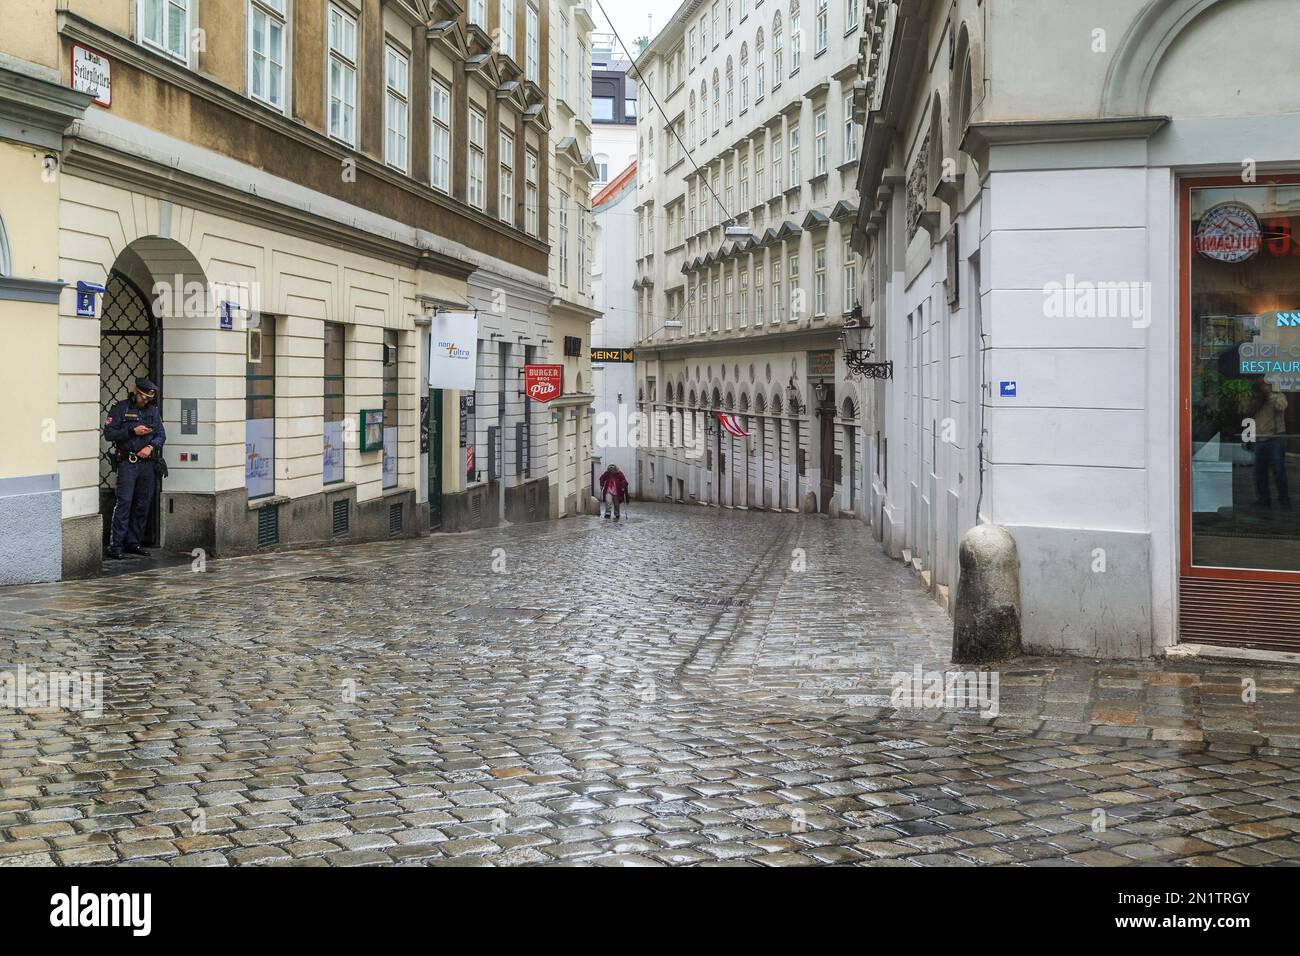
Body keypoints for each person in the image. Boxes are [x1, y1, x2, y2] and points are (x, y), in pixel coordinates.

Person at [103, 376, 166, 559]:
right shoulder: (121, 409)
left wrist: (150, 446)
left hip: (147, 465)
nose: (145, 401)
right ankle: (116, 545)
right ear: (136, 392)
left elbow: (161, 435)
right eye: (143, 397)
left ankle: (134, 542)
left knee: (142, 504)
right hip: (127, 463)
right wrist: (132, 431)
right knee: (124, 503)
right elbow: (109, 433)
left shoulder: (152, 411)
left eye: (149, 399)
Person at [1246, 378, 1290, 509]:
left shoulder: (1278, 395)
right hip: (1259, 438)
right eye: (1261, 385)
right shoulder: (1256, 398)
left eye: (1266, 384)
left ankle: (1284, 500)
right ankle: (1263, 500)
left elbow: (1282, 406)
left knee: (1278, 470)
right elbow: (1246, 412)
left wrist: (1270, 394)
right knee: (1260, 471)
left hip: (1275, 437)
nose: (1264, 386)